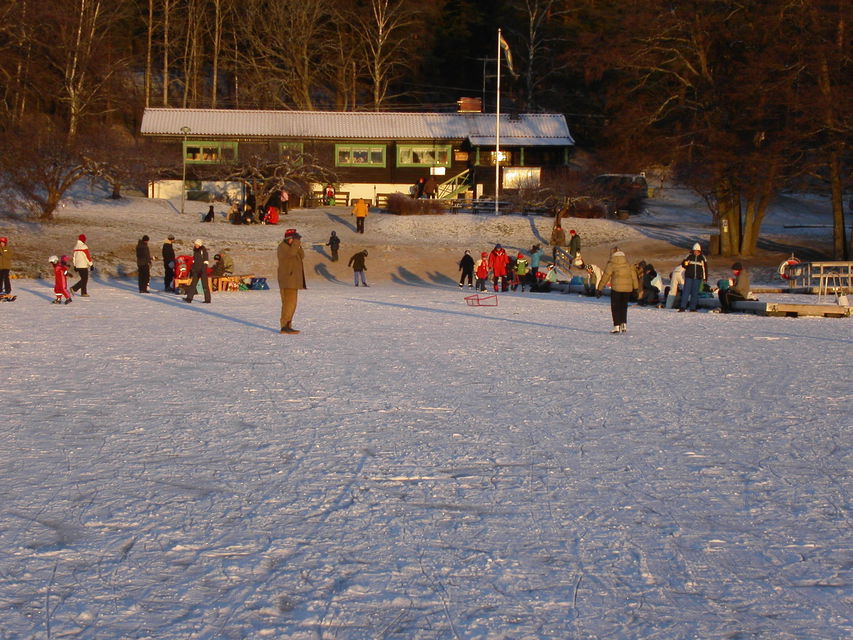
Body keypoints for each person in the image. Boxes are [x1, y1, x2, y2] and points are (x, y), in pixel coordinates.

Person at [596, 246, 639, 334]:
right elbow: (634, 277)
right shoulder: (627, 263)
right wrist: (636, 289)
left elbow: (606, 276)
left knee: (615, 307)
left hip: (616, 288)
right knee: (623, 306)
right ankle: (624, 324)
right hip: (627, 289)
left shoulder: (612, 264)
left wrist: (599, 289)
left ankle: (616, 326)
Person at [277, 228, 306, 334]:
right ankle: (284, 326)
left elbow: (302, 255)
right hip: (287, 280)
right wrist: (296, 244)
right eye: (295, 239)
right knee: (288, 304)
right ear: (290, 239)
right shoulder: (282, 247)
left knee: (292, 304)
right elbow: (291, 254)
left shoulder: (292, 248)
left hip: (293, 281)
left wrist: (298, 245)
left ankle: (288, 325)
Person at [679, 242, 708, 312]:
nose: (696, 252)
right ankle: (683, 307)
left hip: (697, 278)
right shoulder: (688, 256)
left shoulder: (702, 258)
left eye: (697, 251)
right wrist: (686, 263)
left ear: (699, 251)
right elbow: (683, 265)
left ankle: (693, 307)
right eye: (694, 251)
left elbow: (705, 268)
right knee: (686, 292)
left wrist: (705, 278)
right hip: (689, 277)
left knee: (695, 293)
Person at [183, 239, 211, 303]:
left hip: (202, 271)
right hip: (196, 271)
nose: (196, 245)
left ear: (200, 244)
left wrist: (203, 270)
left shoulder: (203, 251)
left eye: (197, 244)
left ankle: (207, 299)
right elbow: (194, 261)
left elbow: (206, 261)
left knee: (205, 285)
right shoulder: (195, 251)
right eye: (195, 244)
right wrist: (192, 269)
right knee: (193, 284)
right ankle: (189, 298)